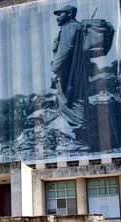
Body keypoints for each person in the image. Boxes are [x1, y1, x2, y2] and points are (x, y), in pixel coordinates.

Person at [51, 5, 88, 145]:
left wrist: (55, 69)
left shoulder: (69, 28)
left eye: (60, 14)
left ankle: (80, 139)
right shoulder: (77, 27)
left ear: (69, 14)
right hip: (76, 71)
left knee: (69, 103)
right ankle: (82, 138)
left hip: (68, 72)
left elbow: (64, 51)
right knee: (77, 101)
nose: (57, 18)